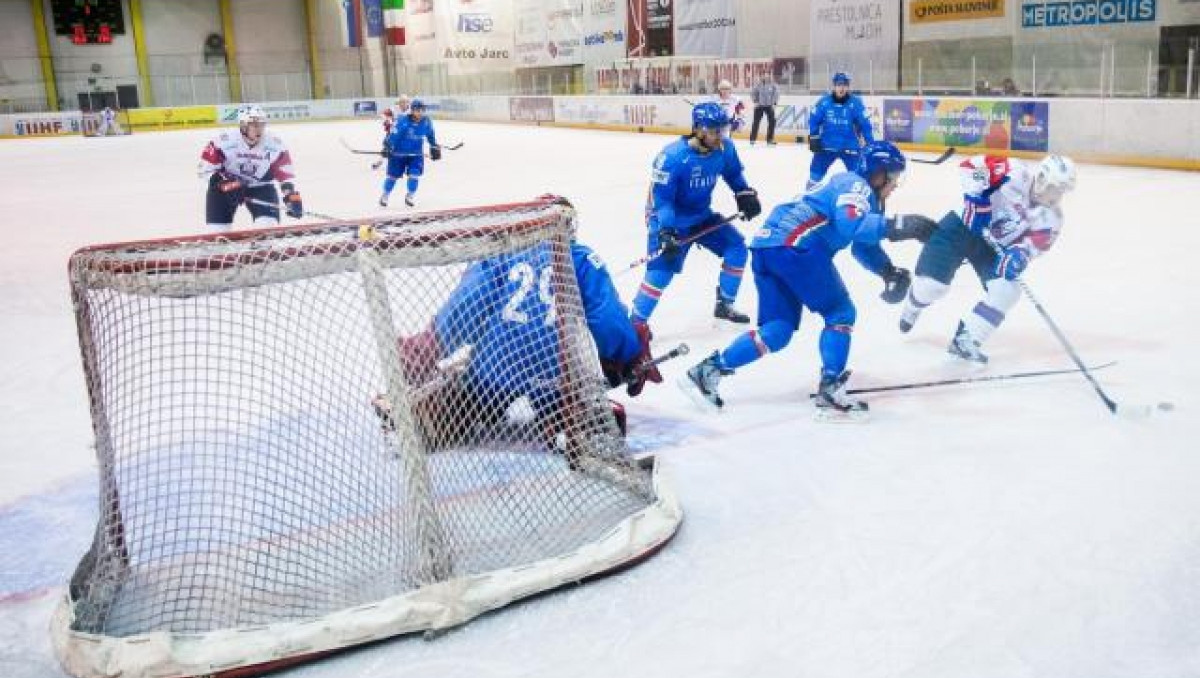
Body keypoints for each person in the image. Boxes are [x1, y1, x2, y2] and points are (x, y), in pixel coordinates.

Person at [374, 196, 662, 457]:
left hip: (497, 364)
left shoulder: (502, 253)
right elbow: (607, 318)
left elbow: (468, 305)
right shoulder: (583, 258)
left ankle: (435, 413)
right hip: (556, 367)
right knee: (570, 402)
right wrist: (628, 355)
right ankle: (568, 422)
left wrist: (431, 343)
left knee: (467, 399)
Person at [681, 141, 936, 416]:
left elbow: (862, 243)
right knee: (840, 313)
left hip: (767, 248)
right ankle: (830, 391)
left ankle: (708, 371)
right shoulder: (856, 186)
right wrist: (900, 225)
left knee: (777, 330)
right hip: (797, 247)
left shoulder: (856, 190)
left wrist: (887, 270)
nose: (895, 184)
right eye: (893, 177)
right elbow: (851, 224)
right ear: (877, 174)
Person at [898, 154, 1077, 363]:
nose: (1058, 195)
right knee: (931, 287)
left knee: (1008, 290)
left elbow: (1034, 246)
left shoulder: (1052, 218)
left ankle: (967, 339)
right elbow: (970, 166)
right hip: (961, 227)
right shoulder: (1014, 172)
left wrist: (1019, 255)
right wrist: (976, 197)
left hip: (991, 247)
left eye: (1063, 191)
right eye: (1056, 188)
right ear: (1043, 179)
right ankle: (913, 305)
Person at [629, 102, 763, 328]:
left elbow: (734, 175)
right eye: (714, 131)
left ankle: (725, 304)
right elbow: (662, 201)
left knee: (737, 248)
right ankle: (635, 325)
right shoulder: (672, 158)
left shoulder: (725, 149)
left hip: (701, 216)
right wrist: (666, 231)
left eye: (722, 130)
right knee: (660, 274)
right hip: (667, 221)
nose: (719, 136)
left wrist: (744, 194)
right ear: (698, 129)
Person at [198, 104, 303, 231]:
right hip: (225, 189)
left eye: (262, 124)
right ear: (243, 126)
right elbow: (205, 170)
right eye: (254, 125)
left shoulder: (275, 144)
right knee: (217, 234)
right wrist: (224, 184)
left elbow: (285, 174)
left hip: (260, 186)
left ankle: (260, 249)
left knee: (267, 229)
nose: (259, 129)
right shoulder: (222, 142)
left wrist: (292, 196)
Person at [806, 72, 875, 190]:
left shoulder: (856, 103)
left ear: (848, 87)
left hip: (850, 147)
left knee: (860, 178)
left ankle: (862, 200)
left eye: (844, 85)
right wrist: (814, 136)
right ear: (834, 86)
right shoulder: (824, 102)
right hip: (826, 147)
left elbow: (865, 125)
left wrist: (871, 144)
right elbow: (813, 119)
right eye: (839, 85)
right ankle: (808, 199)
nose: (841, 88)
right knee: (814, 175)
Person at [379, 98, 440, 208]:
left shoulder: (426, 121)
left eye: (422, 110)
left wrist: (434, 146)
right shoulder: (403, 121)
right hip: (398, 154)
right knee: (392, 177)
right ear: (412, 110)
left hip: (416, 155)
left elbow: (430, 135)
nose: (420, 112)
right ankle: (385, 195)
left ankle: (410, 195)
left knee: (414, 174)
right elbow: (393, 135)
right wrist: (387, 146)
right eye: (417, 110)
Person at [371, 94, 411, 171]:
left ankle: (409, 162)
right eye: (402, 102)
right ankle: (380, 161)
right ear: (399, 103)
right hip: (394, 131)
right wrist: (387, 121)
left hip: (406, 133)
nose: (404, 104)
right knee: (387, 145)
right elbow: (383, 114)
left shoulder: (411, 110)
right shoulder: (394, 109)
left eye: (405, 102)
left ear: (408, 102)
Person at [749, 74, 779, 146]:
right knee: (756, 122)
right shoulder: (758, 84)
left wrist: (774, 103)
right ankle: (752, 139)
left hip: (769, 106)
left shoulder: (773, 85)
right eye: (764, 75)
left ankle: (770, 139)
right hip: (759, 105)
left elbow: (776, 94)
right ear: (761, 77)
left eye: (767, 75)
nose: (765, 77)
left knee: (772, 121)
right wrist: (755, 101)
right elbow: (753, 93)